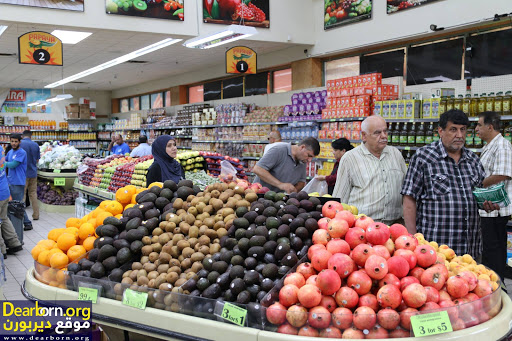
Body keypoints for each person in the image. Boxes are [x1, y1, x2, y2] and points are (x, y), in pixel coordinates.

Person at [402, 109, 487, 259]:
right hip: (436, 248)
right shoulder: (424, 158)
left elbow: (479, 197)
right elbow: (409, 199)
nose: (459, 135)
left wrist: (487, 203)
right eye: (453, 130)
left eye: (463, 130)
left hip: (470, 248)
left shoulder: (473, 160)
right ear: (440, 131)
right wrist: (413, 237)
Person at [332, 116, 406, 224]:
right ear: (364, 136)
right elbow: (340, 197)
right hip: (363, 226)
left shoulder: (396, 154)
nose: (384, 136)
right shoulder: (350, 158)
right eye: (377, 133)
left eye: (385, 131)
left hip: (395, 225)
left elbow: (406, 190)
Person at [475, 111, 512, 280]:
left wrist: (477, 185)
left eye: (479, 125)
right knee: (489, 253)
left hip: (495, 210)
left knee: (494, 253)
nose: (476, 129)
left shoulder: (502, 145)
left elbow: (503, 174)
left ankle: (498, 289)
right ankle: (491, 288)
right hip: (487, 209)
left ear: (490, 127)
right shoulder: (490, 146)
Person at [253, 137, 320, 193]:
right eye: (309, 155)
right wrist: (280, 184)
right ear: (302, 147)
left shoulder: (303, 160)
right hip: (261, 195)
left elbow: (301, 182)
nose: (310, 160)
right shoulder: (279, 150)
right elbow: (258, 169)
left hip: (280, 200)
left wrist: (294, 190)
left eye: (312, 157)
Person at [5, 134, 30, 238]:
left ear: (19, 142)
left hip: (18, 182)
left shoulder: (21, 152)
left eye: (16, 141)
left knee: (18, 205)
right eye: (12, 141)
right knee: (14, 205)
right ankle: (22, 223)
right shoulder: (10, 152)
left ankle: (27, 223)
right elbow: (4, 160)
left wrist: (3, 164)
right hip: (10, 181)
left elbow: (13, 165)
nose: (13, 143)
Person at [0, 145, 23, 258]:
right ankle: (14, 243)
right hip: (4, 190)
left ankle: (2, 250)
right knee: (3, 218)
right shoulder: (0, 148)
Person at [20, 130, 40, 225]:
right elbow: (37, 160)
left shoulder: (20, 144)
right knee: (33, 193)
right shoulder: (35, 145)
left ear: (22, 136)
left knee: (22, 194)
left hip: (23, 173)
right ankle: (36, 215)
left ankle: (21, 215)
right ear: (31, 136)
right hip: (33, 173)